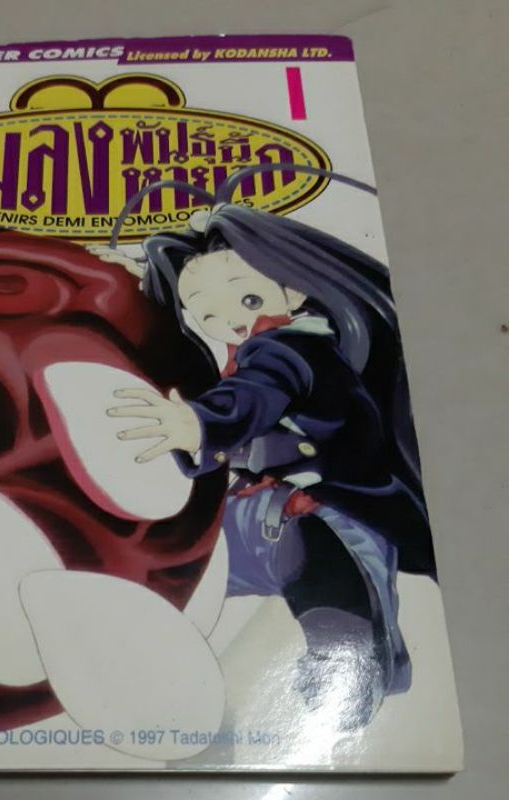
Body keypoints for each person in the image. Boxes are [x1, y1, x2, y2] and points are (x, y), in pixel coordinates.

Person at [93, 166, 436, 728]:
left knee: (331, 584)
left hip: (329, 515)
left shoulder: (290, 347)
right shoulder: (256, 348)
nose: (230, 320)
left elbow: (255, 394)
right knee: (171, 564)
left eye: (246, 297)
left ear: (292, 288)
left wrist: (200, 424)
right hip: (257, 513)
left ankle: (346, 673)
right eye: (206, 313)